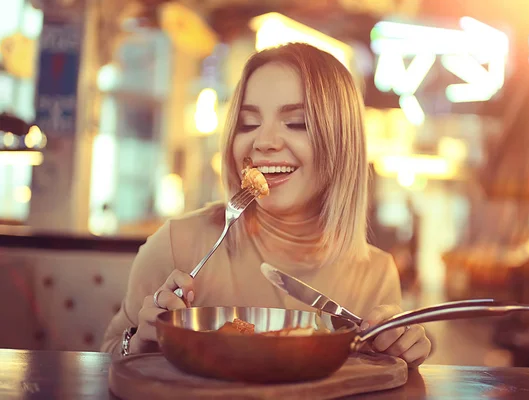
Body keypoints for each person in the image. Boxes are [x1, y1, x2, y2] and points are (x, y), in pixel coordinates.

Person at [101, 42, 431, 366]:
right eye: (248, 124)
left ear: (341, 142)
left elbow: (371, 378)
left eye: (297, 123)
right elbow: (107, 360)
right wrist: (140, 343)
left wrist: (399, 355)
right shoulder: (180, 245)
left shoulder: (375, 274)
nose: (263, 142)